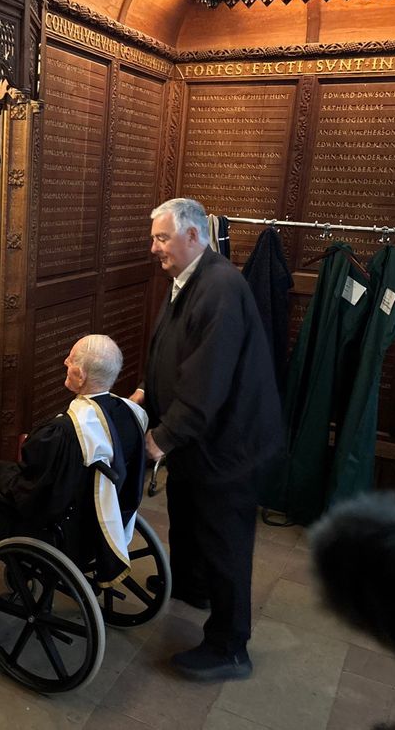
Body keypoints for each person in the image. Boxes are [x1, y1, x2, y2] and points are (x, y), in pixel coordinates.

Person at [132, 197, 284, 683]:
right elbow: (170, 349)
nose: (153, 247)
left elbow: (208, 377)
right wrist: (144, 394)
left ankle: (229, 646)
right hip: (200, 442)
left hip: (228, 447)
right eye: (154, 237)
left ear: (193, 236)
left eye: (161, 237)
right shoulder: (187, 277)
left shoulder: (219, 286)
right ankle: (193, 586)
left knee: (225, 542)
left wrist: (163, 437)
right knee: (187, 515)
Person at [0, 334, 148, 594]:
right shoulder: (130, 414)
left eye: (70, 360)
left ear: (80, 376)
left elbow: (32, 493)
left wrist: (5, 476)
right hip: (94, 516)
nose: (65, 361)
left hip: (59, 525)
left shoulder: (65, 431)